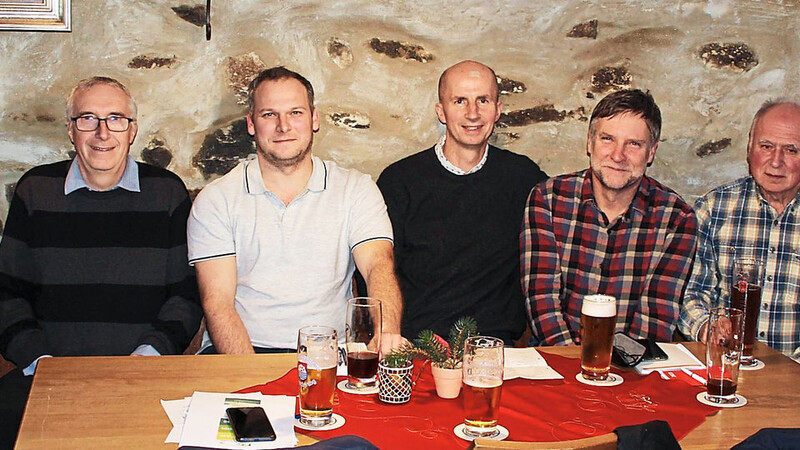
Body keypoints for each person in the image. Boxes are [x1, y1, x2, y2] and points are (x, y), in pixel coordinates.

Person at [0, 77, 202, 449]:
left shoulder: (166, 193)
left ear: (132, 130)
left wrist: (146, 357)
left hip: (143, 376)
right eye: (88, 118)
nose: (102, 132)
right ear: (70, 131)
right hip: (45, 376)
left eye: (116, 119)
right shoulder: (36, 189)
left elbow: (186, 296)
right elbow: (7, 294)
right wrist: (40, 361)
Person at [187, 67, 404, 355]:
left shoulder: (355, 189)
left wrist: (387, 334)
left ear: (314, 119)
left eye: (295, 113)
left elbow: (378, 264)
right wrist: (253, 381)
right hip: (242, 352)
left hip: (328, 355)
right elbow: (217, 304)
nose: (283, 126)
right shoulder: (216, 200)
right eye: (269, 114)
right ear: (251, 124)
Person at [377, 60, 547, 344]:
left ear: (498, 110)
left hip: (496, 349)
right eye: (460, 101)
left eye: (483, 100)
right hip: (418, 346)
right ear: (441, 111)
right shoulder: (399, 182)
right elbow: (380, 271)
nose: (473, 113)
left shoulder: (524, 179)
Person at [521, 89, 697, 346]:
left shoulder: (676, 219)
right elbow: (542, 301)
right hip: (555, 362)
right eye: (607, 139)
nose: (618, 155)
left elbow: (655, 320)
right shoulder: (548, 199)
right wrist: (574, 365)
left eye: (633, 144)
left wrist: (612, 372)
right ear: (590, 143)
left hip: (634, 370)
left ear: (651, 152)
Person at [679, 101, 800, 360]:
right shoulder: (713, 209)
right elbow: (690, 294)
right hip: (725, 368)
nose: (776, 161)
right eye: (766, 147)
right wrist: (706, 326)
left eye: (791, 150)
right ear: (749, 148)